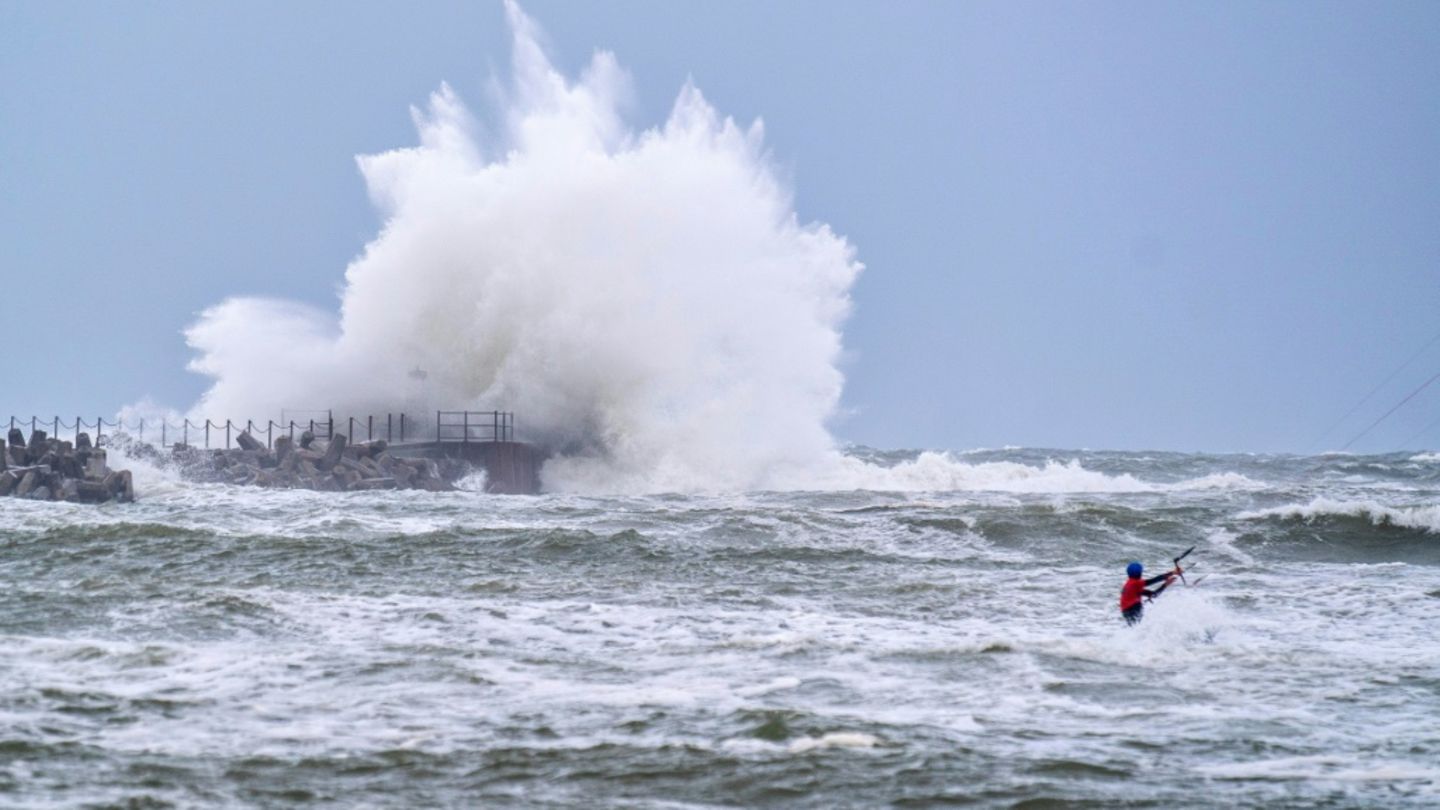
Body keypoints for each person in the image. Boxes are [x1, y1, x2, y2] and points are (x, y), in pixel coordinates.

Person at [1119, 561, 1179, 625]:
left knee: (1134, 627)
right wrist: (1171, 575)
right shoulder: (1136, 582)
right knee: (1137, 626)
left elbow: (1152, 594)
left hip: (1125, 611)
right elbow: (1153, 581)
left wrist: (1167, 580)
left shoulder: (1130, 584)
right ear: (1140, 573)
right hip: (1133, 608)